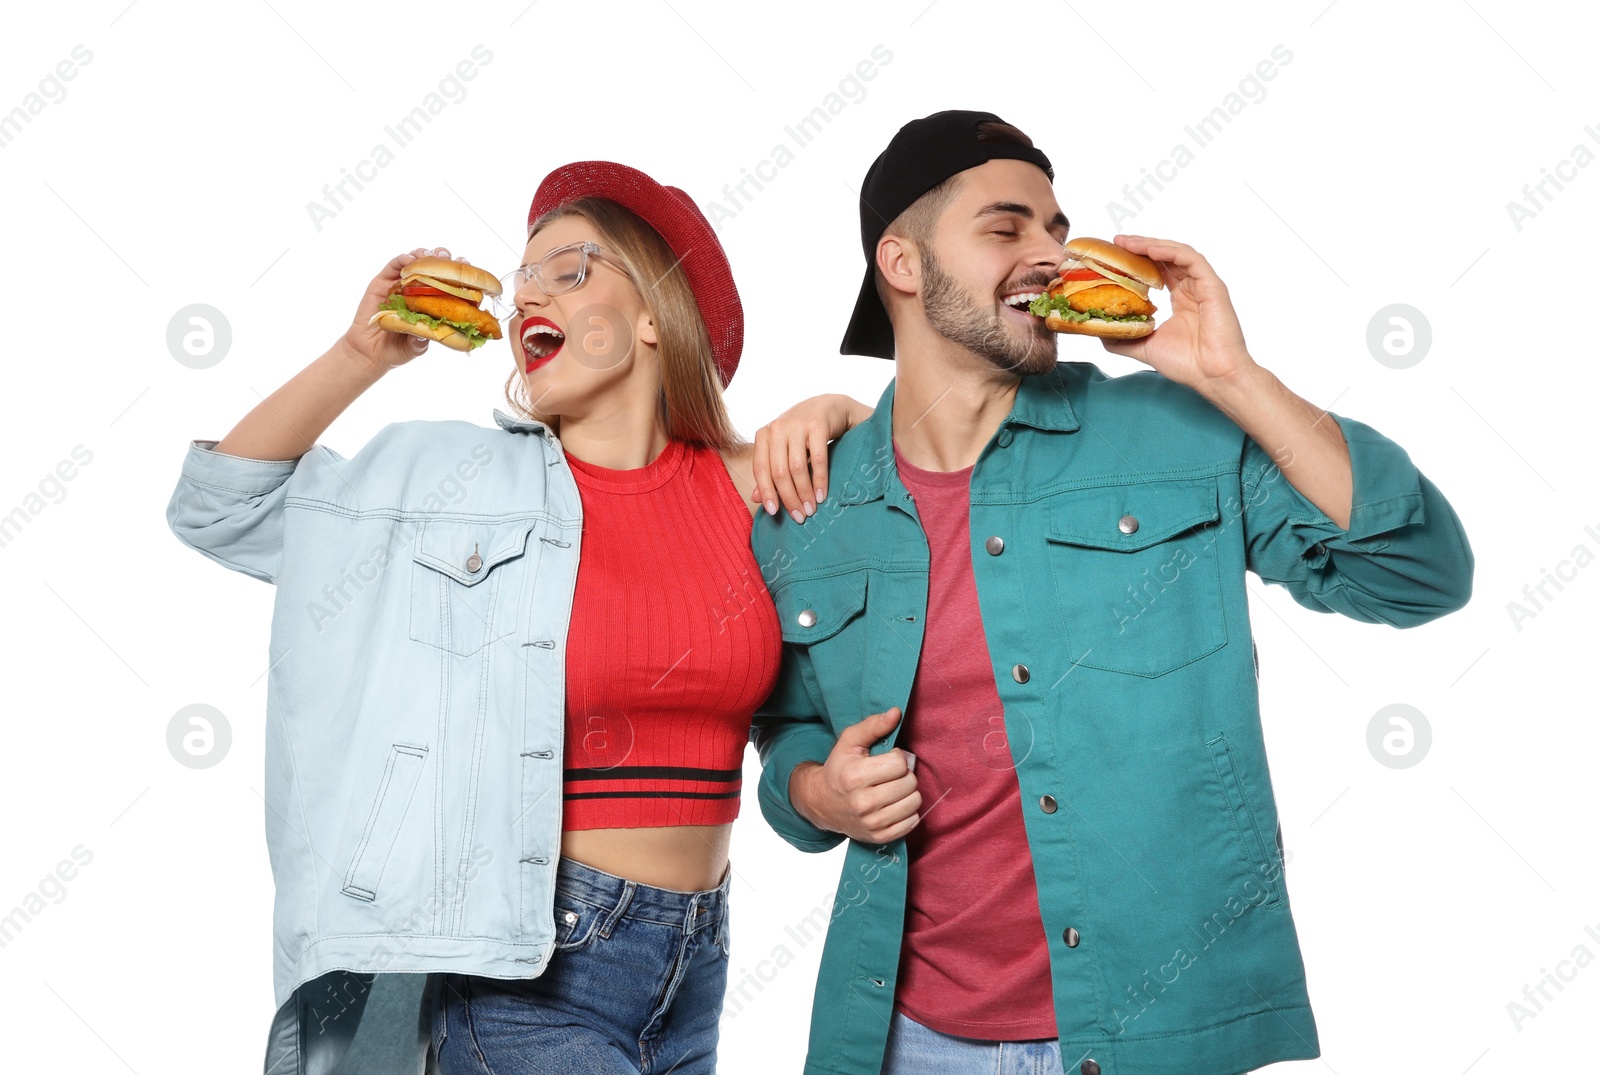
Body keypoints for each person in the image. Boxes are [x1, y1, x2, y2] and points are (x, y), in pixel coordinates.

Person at [749, 110, 1474, 1075]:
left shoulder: (1178, 435)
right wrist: (815, 791)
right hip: (903, 1038)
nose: (1049, 254)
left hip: (1155, 1032)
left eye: (1056, 228)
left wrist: (1235, 377)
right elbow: (784, 719)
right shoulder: (811, 497)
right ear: (904, 264)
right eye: (1007, 228)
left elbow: (1417, 571)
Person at [165, 160, 868, 1075]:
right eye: (524, 277)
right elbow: (219, 508)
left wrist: (852, 412)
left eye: (572, 270)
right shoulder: (454, 486)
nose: (526, 292)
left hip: (695, 964)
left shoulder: (756, 488)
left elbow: (924, 495)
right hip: (524, 966)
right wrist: (360, 355)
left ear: (658, 315)